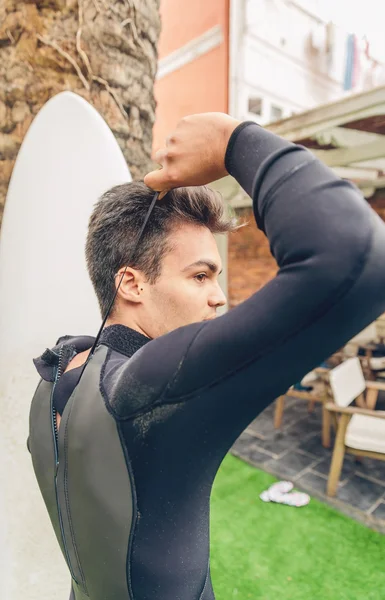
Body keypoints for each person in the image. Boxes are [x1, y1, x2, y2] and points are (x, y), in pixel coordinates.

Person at [28, 113, 385, 600]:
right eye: (200, 275)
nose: (219, 297)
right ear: (131, 282)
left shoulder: (55, 374)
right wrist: (231, 142)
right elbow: (355, 257)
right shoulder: (143, 391)